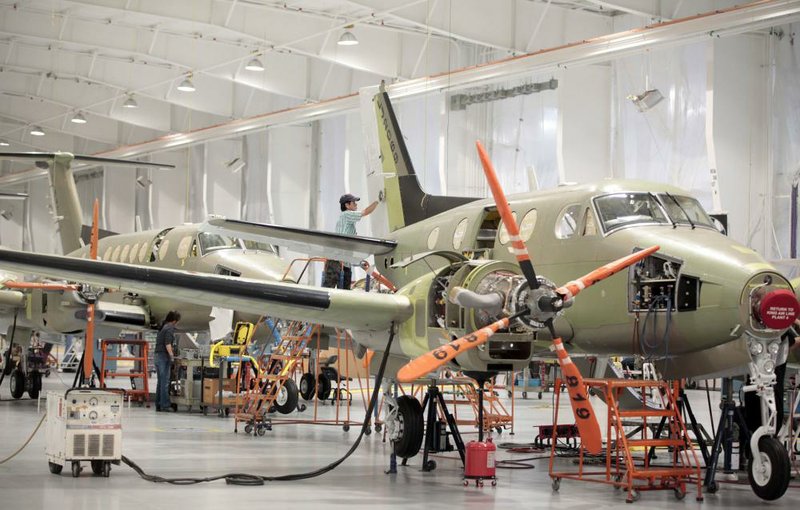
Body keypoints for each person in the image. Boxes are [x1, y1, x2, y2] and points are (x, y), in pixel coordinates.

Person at [322, 193, 379, 289]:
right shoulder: (346, 214)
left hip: (344, 261)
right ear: (347, 205)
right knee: (331, 289)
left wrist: (358, 261)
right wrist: (377, 201)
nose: (356, 205)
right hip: (338, 261)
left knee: (343, 289)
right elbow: (365, 212)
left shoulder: (347, 221)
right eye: (354, 203)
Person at [154, 311, 180, 412]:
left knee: (160, 382)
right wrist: (172, 356)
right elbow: (168, 344)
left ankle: (158, 404)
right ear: (174, 321)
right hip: (163, 357)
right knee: (165, 382)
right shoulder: (169, 328)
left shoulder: (163, 327)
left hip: (157, 356)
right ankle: (165, 405)